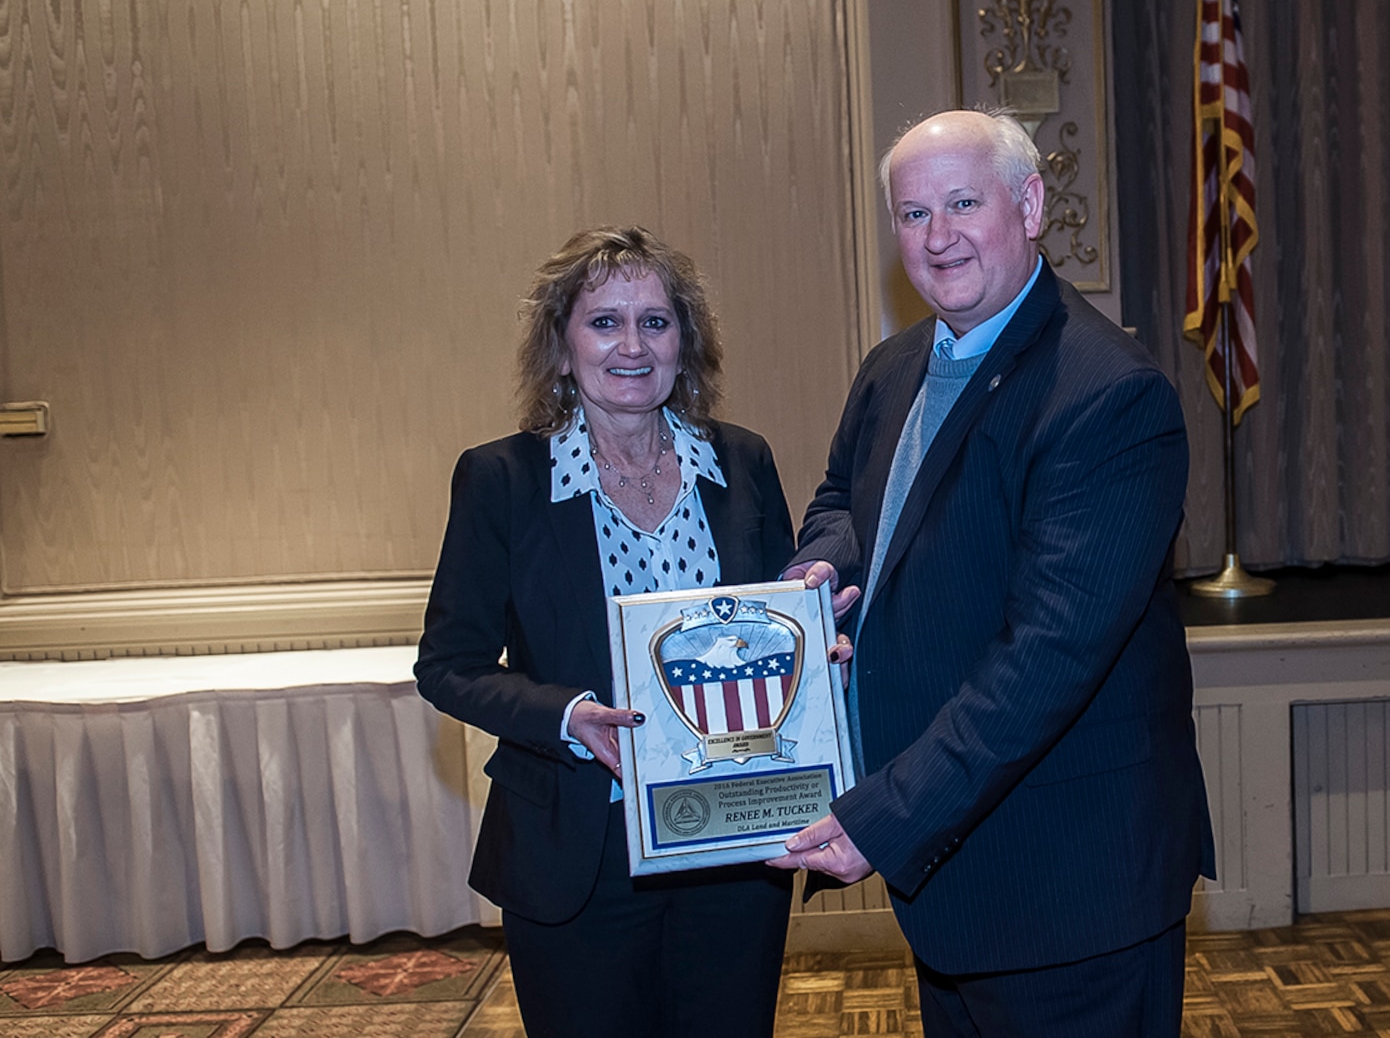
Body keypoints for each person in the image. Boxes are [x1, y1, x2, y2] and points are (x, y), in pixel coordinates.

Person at [768, 110, 1216, 1035]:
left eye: (962, 203)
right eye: (911, 213)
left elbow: (1044, 660)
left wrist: (883, 817)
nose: (936, 238)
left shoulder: (1109, 396)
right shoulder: (893, 368)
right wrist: (821, 571)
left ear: (1032, 204)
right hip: (956, 887)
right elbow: (841, 504)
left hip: (1071, 891)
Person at [415, 226, 798, 1038]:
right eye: (604, 322)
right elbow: (449, 665)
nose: (633, 345)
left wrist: (814, 658)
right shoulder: (501, 482)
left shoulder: (742, 465)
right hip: (578, 856)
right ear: (561, 348)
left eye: (656, 322)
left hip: (731, 845)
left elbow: (781, 630)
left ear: (685, 345)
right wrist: (567, 716)